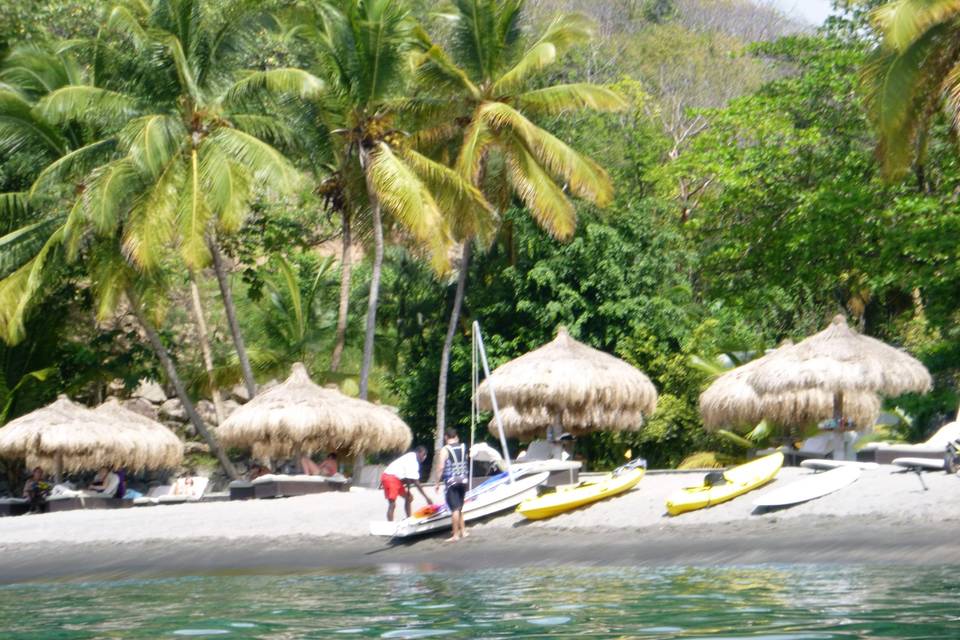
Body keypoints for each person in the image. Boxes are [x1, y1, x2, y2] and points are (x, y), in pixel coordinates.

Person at [435, 429, 469, 542]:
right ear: (456, 436)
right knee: (460, 507)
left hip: (452, 482)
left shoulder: (445, 450)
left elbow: (440, 467)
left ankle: (455, 535)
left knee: (454, 508)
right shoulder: (464, 447)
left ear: (446, 437)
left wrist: (437, 482)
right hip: (463, 480)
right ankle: (463, 531)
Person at [381, 446, 430, 521]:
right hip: (390, 477)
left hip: (396, 479)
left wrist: (409, 491)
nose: (424, 458)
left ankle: (409, 519)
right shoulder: (412, 460)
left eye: (425, 456)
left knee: (409, 498)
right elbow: (416, 482)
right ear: (419, 452)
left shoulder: (412, 457)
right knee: (392, 504)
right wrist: (427, 498)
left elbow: (408, 478)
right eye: (423, 455)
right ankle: (390, 526)